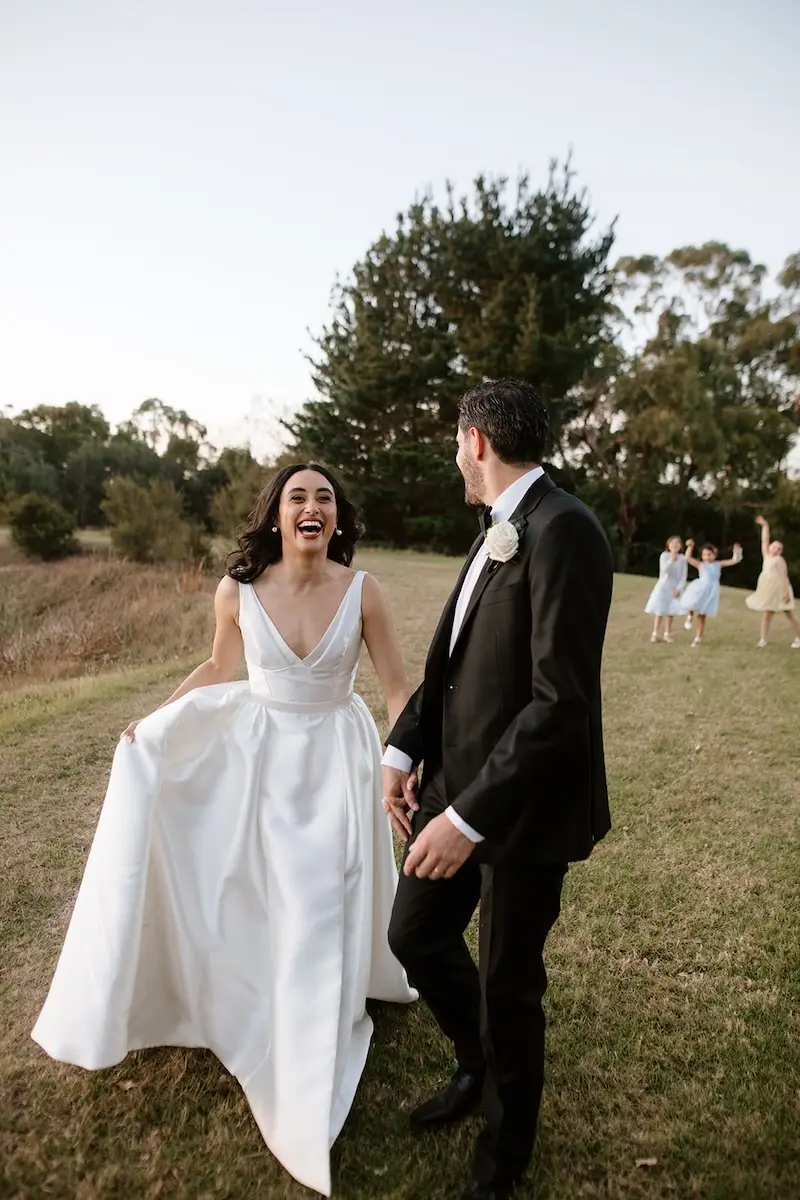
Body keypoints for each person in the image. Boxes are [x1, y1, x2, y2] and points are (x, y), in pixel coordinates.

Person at [31, 463, 416, 1198]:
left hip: (336, 755)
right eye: (298, 497)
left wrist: (408, 755)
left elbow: (398, 685)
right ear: (276, 515)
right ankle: (245, 996)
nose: (312, 507)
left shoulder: (364, 593)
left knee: (318, 894)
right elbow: (219, 664)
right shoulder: (236, 591)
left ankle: (310, 1024)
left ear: (337, 519)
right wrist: (153, 722)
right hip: (260, 760)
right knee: (253, 891)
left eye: (325, 499)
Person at [381, 379, 614, 1200]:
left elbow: (561, 702)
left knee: (509, 982)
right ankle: (475, 1063)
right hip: (449, 784)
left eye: (456, 441)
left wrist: (469, 818)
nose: (456, 454)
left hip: (522, 806)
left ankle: (502, 1159)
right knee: (414, 936)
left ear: (475, 440)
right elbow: (448, 659)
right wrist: (401, 749)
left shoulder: (566, 530)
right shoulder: (494, 532)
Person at [745, 515, 800, 648]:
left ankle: (798, 637)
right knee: (766, 614)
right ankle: (763, 639)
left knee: (789, 614)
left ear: (780, 551)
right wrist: (765, 526)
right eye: (774, 546)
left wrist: (786, 593)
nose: (775, 548)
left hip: (781, 590)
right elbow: (764, 540)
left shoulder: (779, 561)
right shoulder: (767, 557)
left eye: (778, 548)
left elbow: (784, 577)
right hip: (769, 590)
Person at [681, 539, 743, 647]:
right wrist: (690, 547)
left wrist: (737, 551)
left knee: (702, 615)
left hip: (711, 591)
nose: (707, 557)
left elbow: (734, 560)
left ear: (715, 554)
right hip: (700, 587)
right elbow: (688, 558)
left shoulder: (718, 564)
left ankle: (698, 638)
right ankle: (689, 616)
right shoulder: (701, 564)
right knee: (692, 602)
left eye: (709, 554)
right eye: (704, 555)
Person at [644, 535, 687, 642]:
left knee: (670, 611)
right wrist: (671, 560)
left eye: (677, 543)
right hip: (663, 585)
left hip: (675, 587)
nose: (675, 545)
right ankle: (655, 633)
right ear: (668, 545)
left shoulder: (682, 559)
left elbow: (683, 575)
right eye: (673, 543)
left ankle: (667, 634)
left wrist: (679, 588)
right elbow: (663, 571)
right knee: (659, 609)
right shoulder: (664, 556)